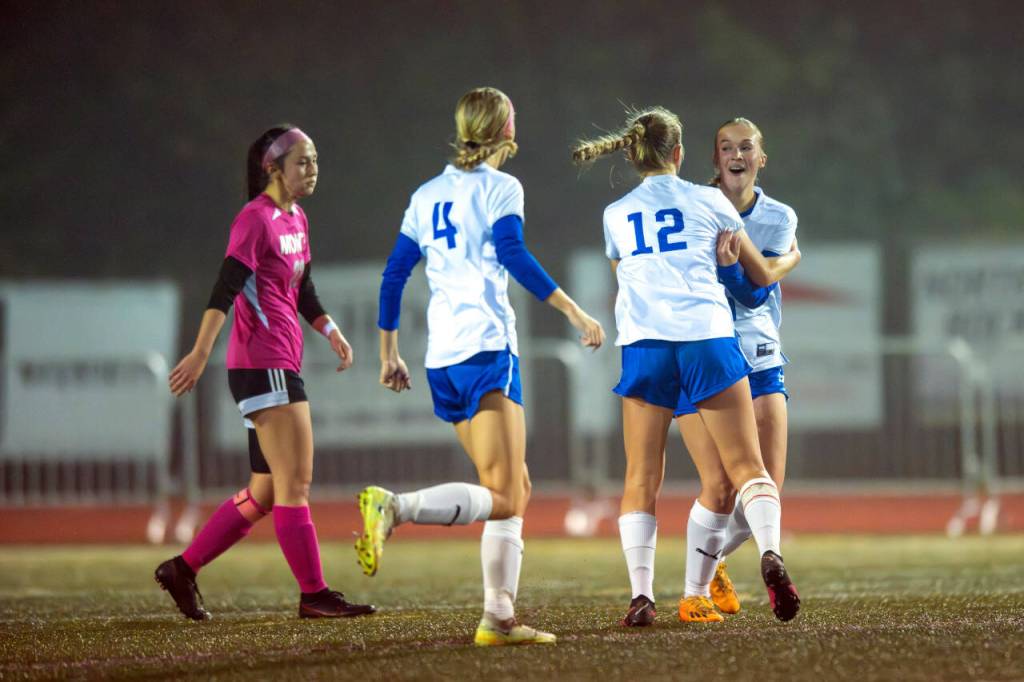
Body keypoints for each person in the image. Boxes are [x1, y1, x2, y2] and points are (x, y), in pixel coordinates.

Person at [356, 87, 605, 646]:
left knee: (513, 485)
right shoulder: (501, 187)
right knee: (509, 494)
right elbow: (513, 254)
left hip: (443, 358)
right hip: (487, 350)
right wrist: (572, 309)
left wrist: (387, 351)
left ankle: (498, 618)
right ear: (505, 130)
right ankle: (397, 507)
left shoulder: (425, 194)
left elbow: (394, 274)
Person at [571, 106, 801, 626]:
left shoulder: (615, 214)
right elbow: (761, 272)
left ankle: (641, 597)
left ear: (632, 155)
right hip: (707, 339)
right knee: (749, 470)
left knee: (640, 476)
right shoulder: (712, 202)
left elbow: (625, 274)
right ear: (681, 154)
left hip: (646, 345)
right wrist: (794, 261)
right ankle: (766, 553)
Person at [155, 124, 375, 621]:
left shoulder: (297, 217)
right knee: (296, 481)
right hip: (264, 364)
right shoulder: (255, 220)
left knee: (267, 492)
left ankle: (182, 569)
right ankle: (314, 595)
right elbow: (225, 289)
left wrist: (330, 329)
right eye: (303, 161)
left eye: (316, 159)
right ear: (271, 168)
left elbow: (302, 289)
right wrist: (198, 351)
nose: (313, 169)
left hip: (278, 362)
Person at [678, 117, 800, 620]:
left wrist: (739, 269)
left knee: (763, 491)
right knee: (723, 488)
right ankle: (691, 592)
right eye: (725, 147)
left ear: (760, 159)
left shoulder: (777, 217)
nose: (735, 154)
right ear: (714, 159)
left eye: (745, 146)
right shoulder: (694, 207)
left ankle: (719, 566)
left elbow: (755, 292)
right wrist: (747, 268)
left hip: (758, 353)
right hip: (705, 352)